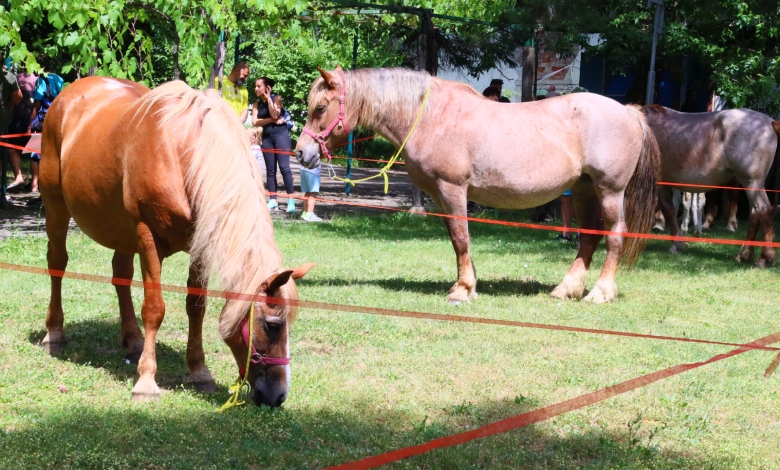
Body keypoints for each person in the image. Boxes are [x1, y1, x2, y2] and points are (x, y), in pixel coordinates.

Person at [252, 76, 295, 213]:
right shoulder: (256, 104)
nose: (256, 89)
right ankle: (273, 200)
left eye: (259, 86)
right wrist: (271, 120)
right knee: (270, 170)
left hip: (280, 135)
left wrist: (269, 98)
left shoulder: (277, 98)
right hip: (266, 138)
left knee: (284, 167)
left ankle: (291, 200)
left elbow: (276, 114)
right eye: (255, 86)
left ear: (267, 87)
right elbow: (255, 122)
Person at [27, 54, 65, 194]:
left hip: (42, 121)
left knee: (34, 153)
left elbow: (36, 105)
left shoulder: (40, 81)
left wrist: (30, 125)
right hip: (59, 119)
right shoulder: (59, 79)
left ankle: (35, 185)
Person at [6, 67, 37, 192]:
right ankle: (35, 184)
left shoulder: (18, 77)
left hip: (20, 116)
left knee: (11, 148)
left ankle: (18, 177)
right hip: (37, 119)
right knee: (35, 152)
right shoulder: (40, 79)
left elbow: (15, 99)